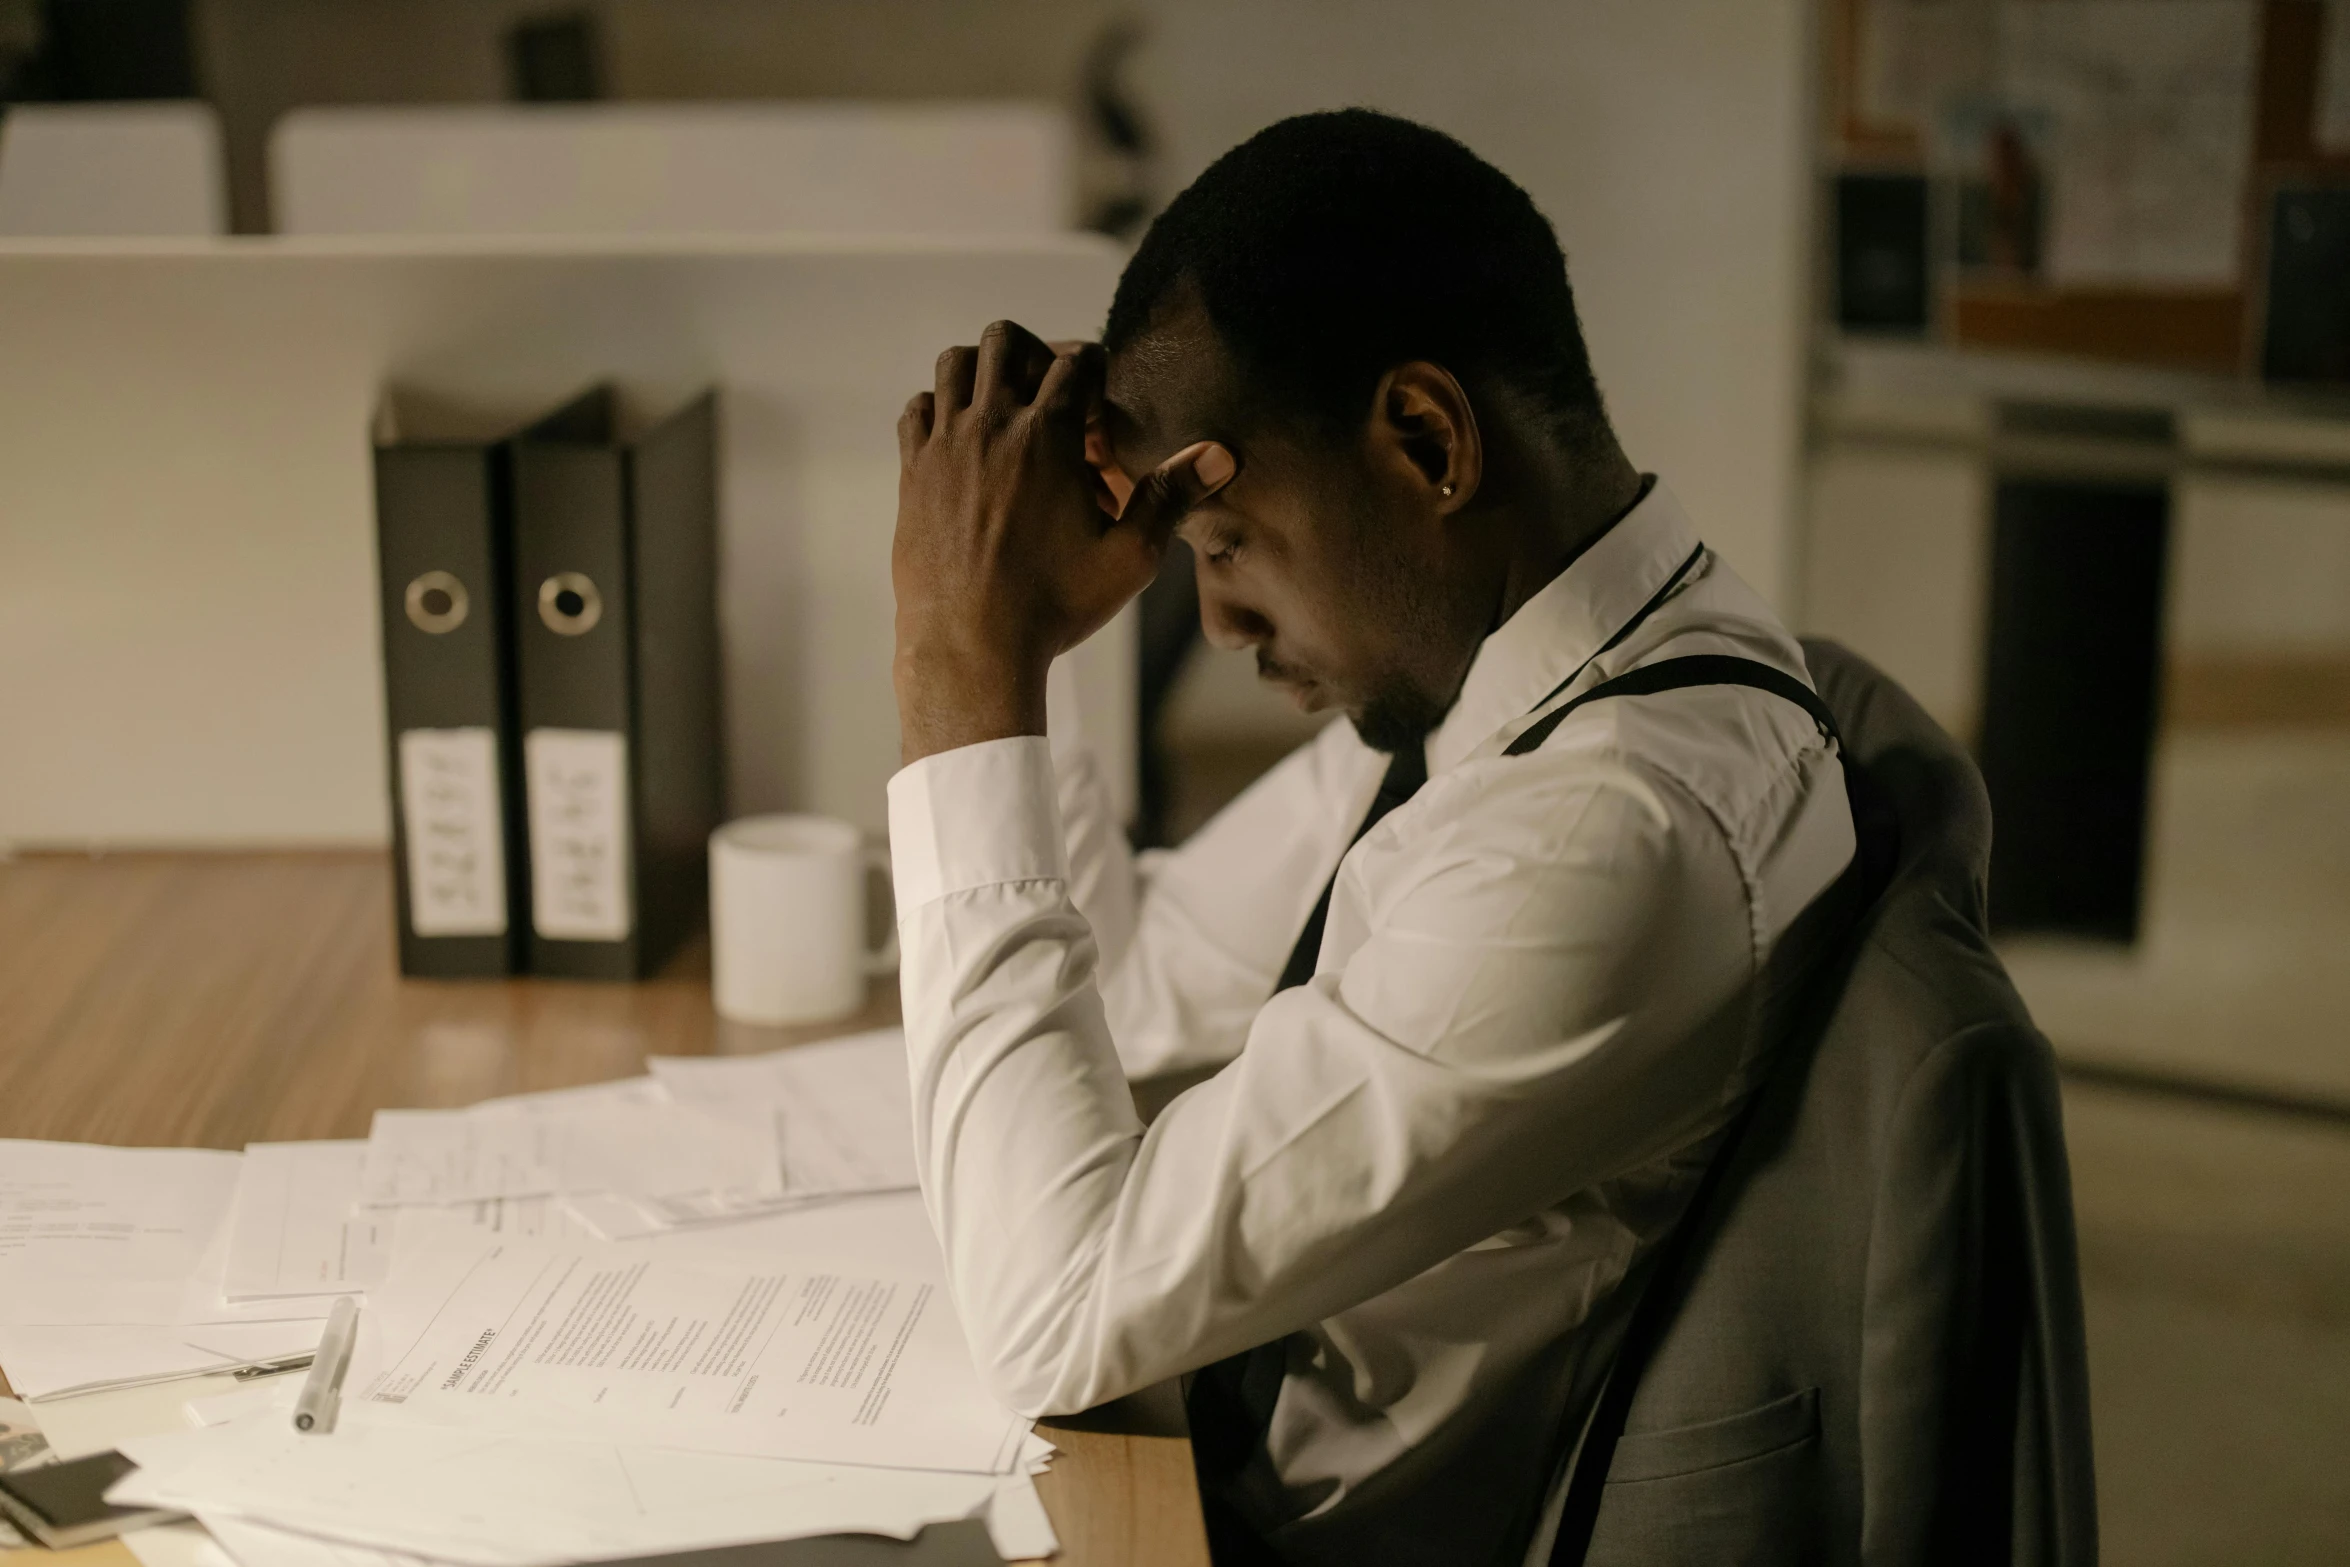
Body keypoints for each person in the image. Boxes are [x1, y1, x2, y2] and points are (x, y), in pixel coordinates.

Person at [885, 110, 1854, 1566]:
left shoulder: (1602, 830)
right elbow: (1137, 986)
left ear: (1423, 441)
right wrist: (1028, 641)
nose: (1212, 623)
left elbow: (1057, 1314)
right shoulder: (1523, 686)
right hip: (1163, 1432)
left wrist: (957, 677)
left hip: (1238, 1522)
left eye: (1223, 546)